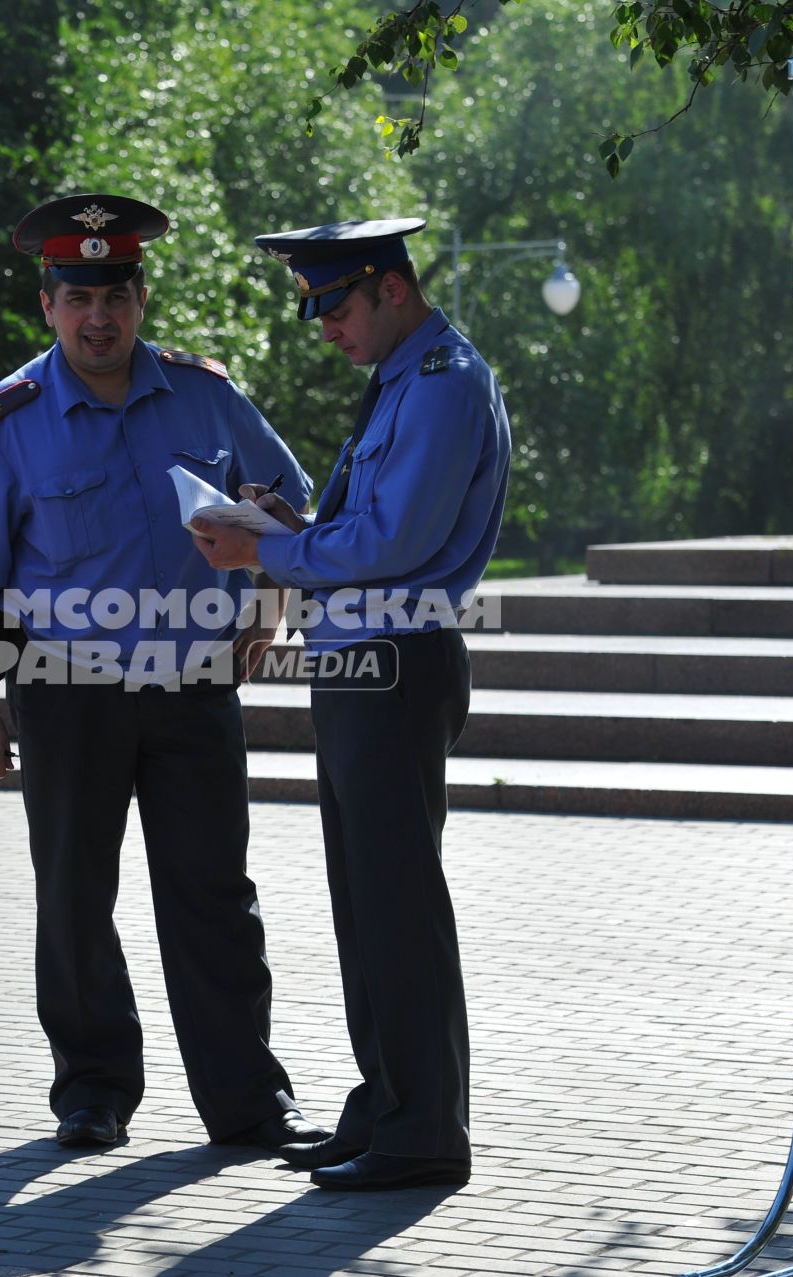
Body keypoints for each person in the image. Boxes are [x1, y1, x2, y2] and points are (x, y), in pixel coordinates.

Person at [0, 193, 325, 1155]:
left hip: (194, 685)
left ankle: (246, 1099)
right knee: (74, 894)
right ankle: (94, 1088)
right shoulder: (6, 419)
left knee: (215, 895)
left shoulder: (207, 395)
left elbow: (287, 499)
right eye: (77, 297)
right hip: (66, 690)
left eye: (114, 295)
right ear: (47, 304)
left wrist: (269, 596)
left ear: (141, 297)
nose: (96, 317)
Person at [191, 219, 511, 1191]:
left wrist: (266, 552)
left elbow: (393, 542)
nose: (325, 325)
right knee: (367, 905)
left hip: (398, 657)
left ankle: (424, 1130)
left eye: (334, 304)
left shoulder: (447, 381)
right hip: (363, 656)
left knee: (398, 905)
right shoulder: (404, 382)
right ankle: (386, 1102)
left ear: (392, 288)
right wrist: (291, 526)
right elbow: (366, 530)